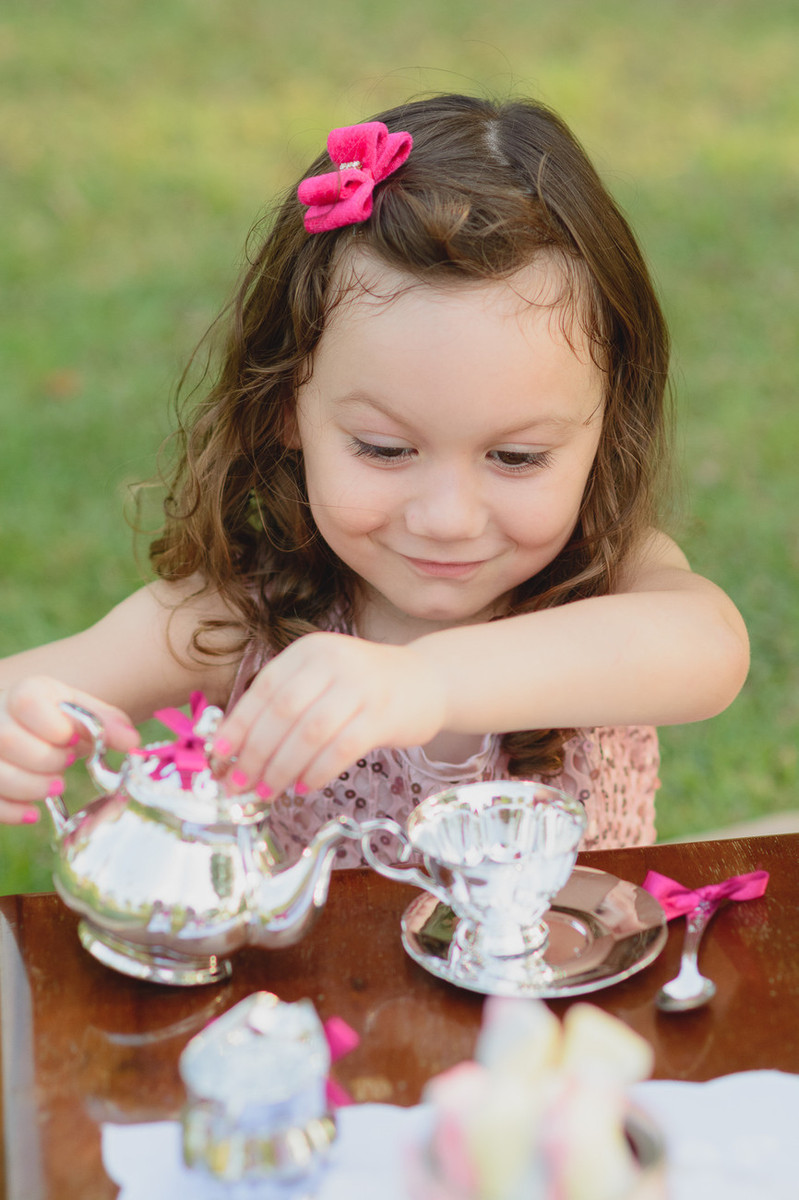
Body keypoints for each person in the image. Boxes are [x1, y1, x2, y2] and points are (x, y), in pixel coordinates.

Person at [0, 93, 749, 865]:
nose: (447, 517)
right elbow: (31, 687)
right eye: (386, 450)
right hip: (312, 990)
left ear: (603, 424)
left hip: (578, 982)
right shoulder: (237, 620)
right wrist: (17, 726)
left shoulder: (610, 573)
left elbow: (709, 649)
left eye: (516, 458)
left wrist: (421, 682)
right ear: (287, 403)